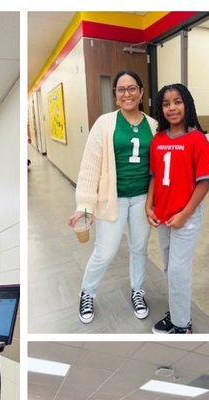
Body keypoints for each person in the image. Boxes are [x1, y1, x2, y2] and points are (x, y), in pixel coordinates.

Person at [72, 71, 159, 325]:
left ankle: (138, 291)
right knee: (105, 251)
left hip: (143, 197)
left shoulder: (153, 125)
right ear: (116, 96)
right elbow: (90, 166)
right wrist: (85, 205)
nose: (127, 94)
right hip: (113, 199)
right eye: (121, 90)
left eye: (132, 88)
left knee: (139, 248)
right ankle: (87, 293)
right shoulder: (105, 123)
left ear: (141, 93)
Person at [146, 83, 209, 334]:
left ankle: (182, 324)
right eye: (166, 104)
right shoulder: (158, 140)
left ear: (187, 104)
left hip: (186, 215)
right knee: (169, 267)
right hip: (164, 214)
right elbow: (155, 175)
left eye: (177, 101)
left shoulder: (197, 139)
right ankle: (177, 311)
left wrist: (185, 214)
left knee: (178, 269)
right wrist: (148, 205)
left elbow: (206, 181)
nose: (172, 108)